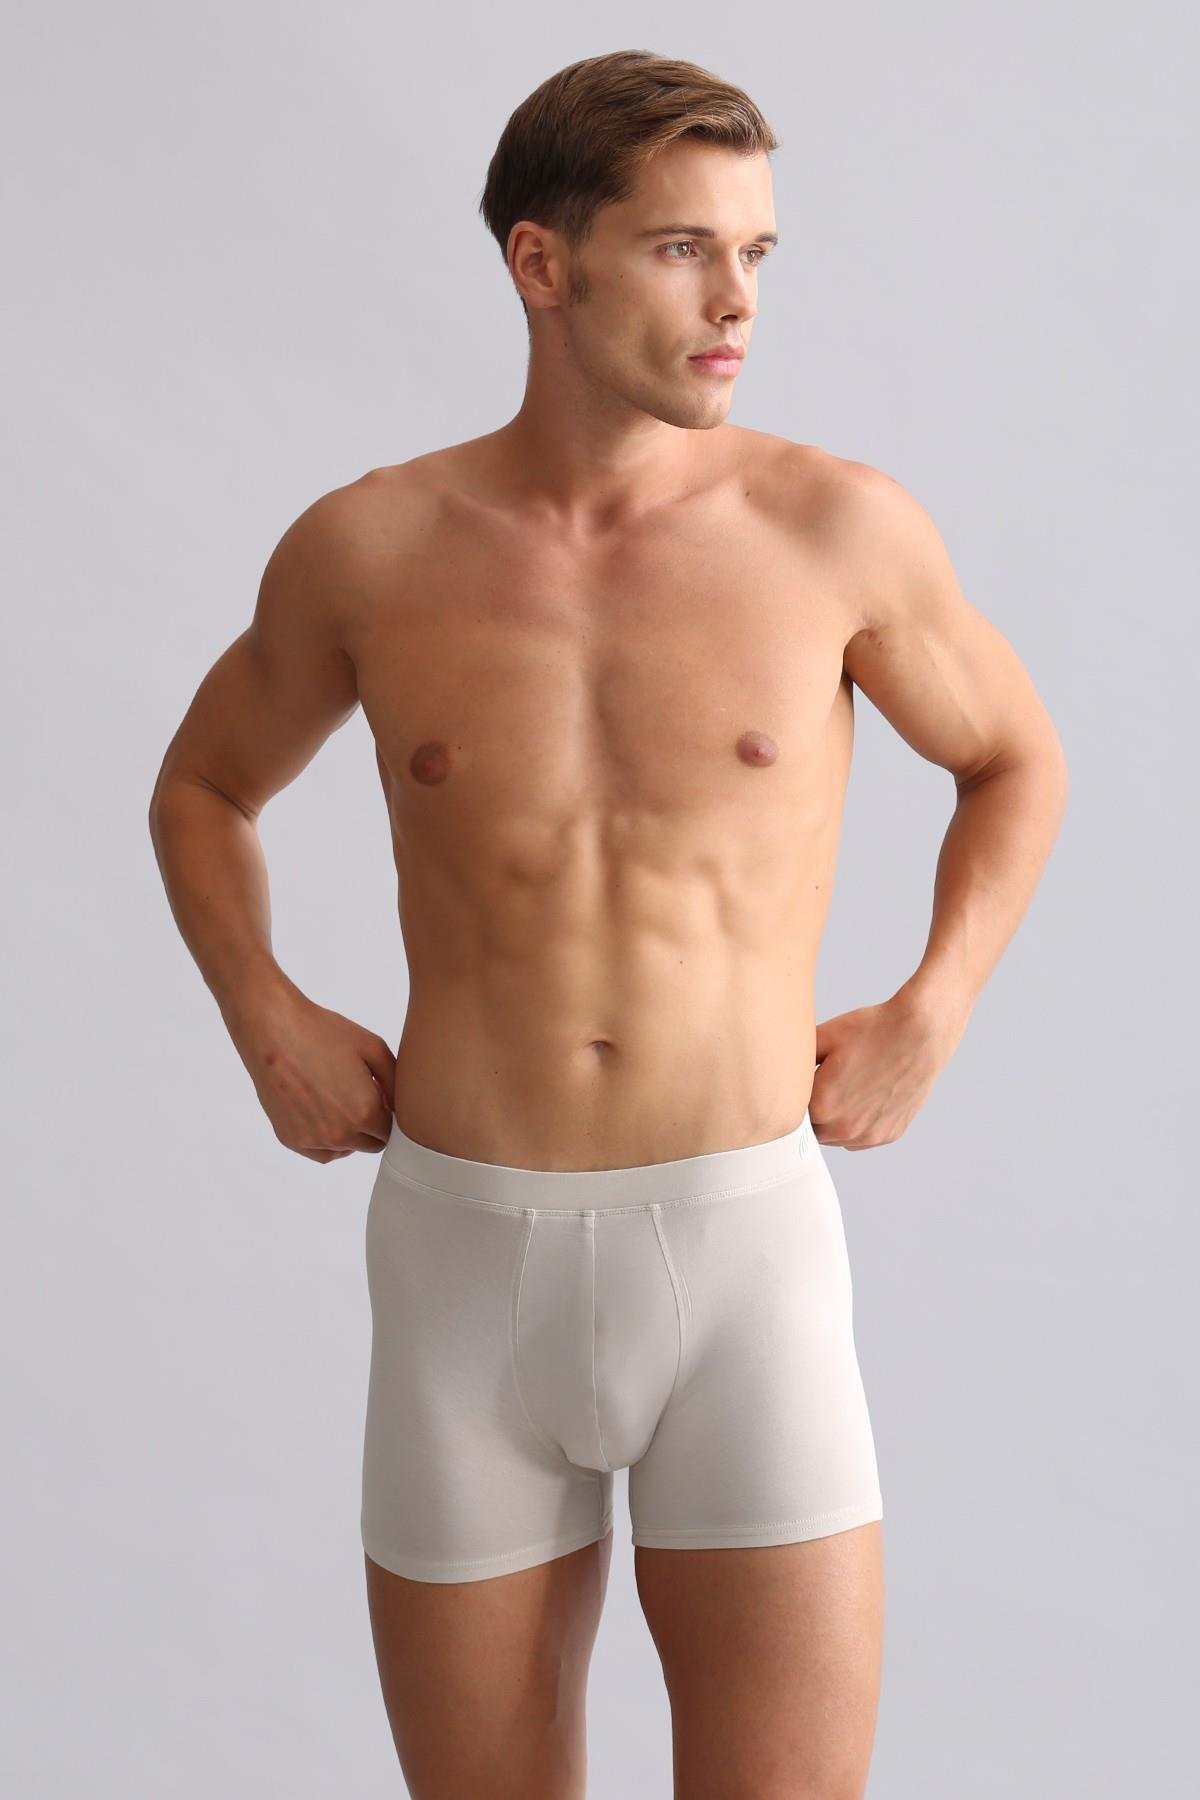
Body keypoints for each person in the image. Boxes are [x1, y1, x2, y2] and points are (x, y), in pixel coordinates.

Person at [148, 47, 1068, 1800]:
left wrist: (933, 1008)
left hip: (742, 1258)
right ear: (542, 263)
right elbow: (201, 787)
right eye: (682, 249)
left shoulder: (837, 530)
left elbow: (1014, 758)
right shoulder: (369, 548)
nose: (738, 301)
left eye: (758, 253)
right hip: (460, 1263)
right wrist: (261, 1009)